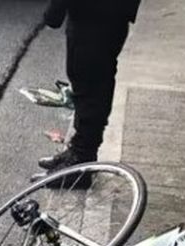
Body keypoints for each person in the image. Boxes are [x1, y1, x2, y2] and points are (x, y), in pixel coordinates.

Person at [39, 0, 141, 172]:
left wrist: (54, 13)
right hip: (105, 15)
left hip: (95, 17)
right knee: (91, 81)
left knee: (90, 83)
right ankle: (79, 151)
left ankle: (82, 157)